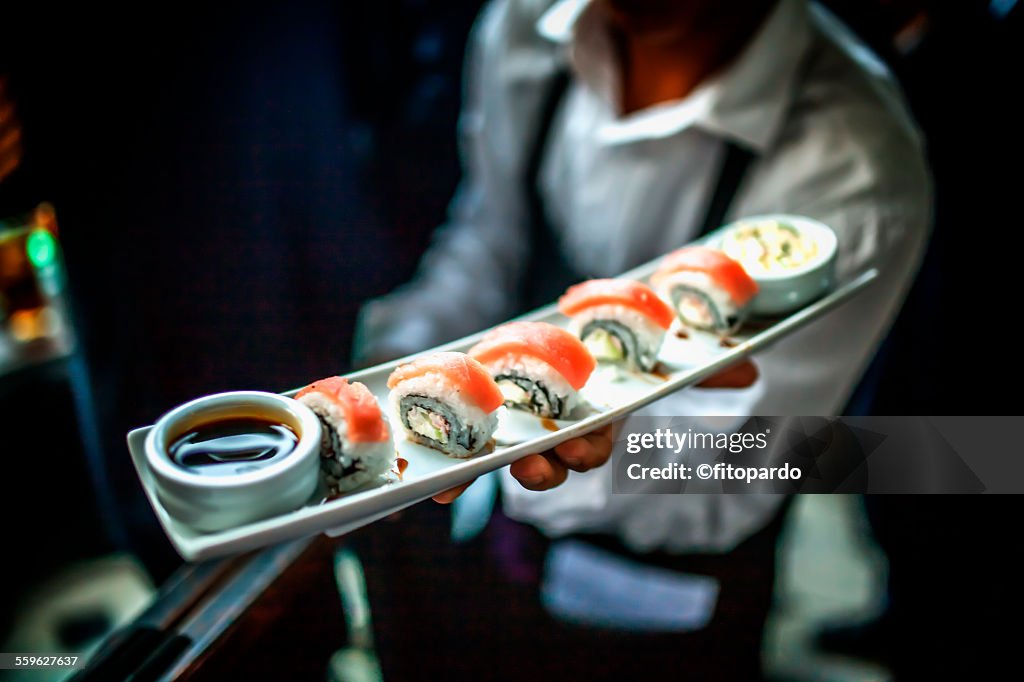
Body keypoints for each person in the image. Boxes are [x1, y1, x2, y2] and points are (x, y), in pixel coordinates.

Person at [355, 0, 930, 677]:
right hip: (474, 540)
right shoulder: (525, 23)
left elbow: (751, 460)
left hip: (654, 594)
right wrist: (400, 363)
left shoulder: (855, 169)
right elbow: (488, 240)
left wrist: (516, 447)